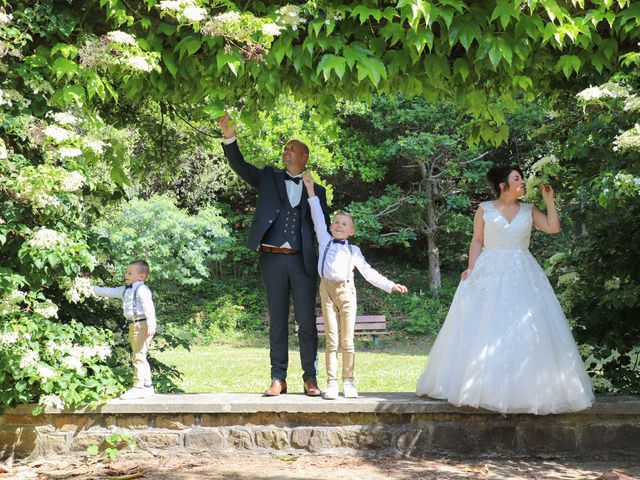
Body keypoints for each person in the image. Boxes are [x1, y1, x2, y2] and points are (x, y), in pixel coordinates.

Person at [416, 166, 594, 414]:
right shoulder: (485, 210)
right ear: (503, 185)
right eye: (517, 179)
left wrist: (549, 201)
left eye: (521, 178)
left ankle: (527, 390)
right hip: (490, 269)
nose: (523, 183)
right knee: (484, 325)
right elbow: (477, 240)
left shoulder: (528, 209)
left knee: (528, 327)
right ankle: (478, 385)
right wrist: (471, 268)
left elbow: (553, 227)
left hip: (523, 270)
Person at [219, 113, 330, 397]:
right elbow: (240, 166)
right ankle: (278, 377)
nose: (286, 151)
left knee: (307, 322)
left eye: (292, 148)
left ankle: (310, 377)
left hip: (302, 261)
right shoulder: (268, 177)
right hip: (271, 259)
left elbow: (323, 227)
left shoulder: (317, 190)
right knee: (277, 321)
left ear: (304, 156)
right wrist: (229, 136)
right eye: (285, 148)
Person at [303, 171, 408, 399]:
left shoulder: (354, 251)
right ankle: (331, 383)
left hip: (347, 292)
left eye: (345, 224)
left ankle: (348, 382)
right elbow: (317, 214)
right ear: (331, 226)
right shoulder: (324, 237)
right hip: (327, 291)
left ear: (351, 231)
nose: (339, 226)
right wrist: (310, 189)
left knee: (347, 340)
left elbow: (369, 273)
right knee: (331, 340)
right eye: (337, 222)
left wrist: (391, 286)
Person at [93, 260, 157, 400]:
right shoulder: (125, 289)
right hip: (133, 325)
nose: (125, 274)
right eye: (126, 272)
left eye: (129, 273)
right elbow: (108, 292)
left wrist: (151, 325)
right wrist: (91, 288)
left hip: (142, 325)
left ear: (141, 276)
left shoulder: (142, 290)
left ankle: (138, 386)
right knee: (140, 355)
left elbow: (149, 308)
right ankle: (148, 386)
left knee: (138, 356)